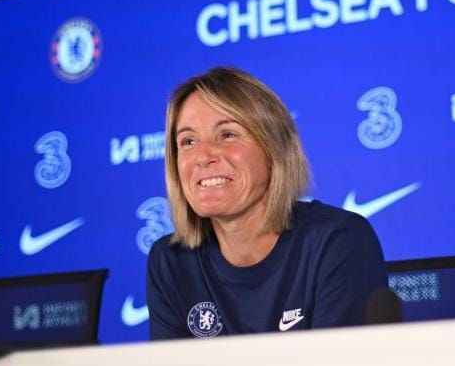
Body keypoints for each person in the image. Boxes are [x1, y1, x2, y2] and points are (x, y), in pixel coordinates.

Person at [146, 66, 387, 339]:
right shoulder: (170, 261)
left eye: (227, 134)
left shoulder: (338, 241)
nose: (203, 156)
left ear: (274, 148)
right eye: (188, 141)